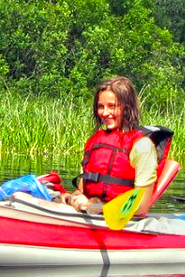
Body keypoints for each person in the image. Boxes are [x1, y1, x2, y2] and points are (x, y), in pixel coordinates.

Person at [62, 76, 160, 216]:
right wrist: (71, 198)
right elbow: (82, 190)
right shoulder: (94, 141)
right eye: (101, 107)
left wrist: (97, 208)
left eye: (112, 106)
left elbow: (140, 206)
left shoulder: (142, 146)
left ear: (127, 107)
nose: (105, 113)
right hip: (89, 211)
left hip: (120, 218)